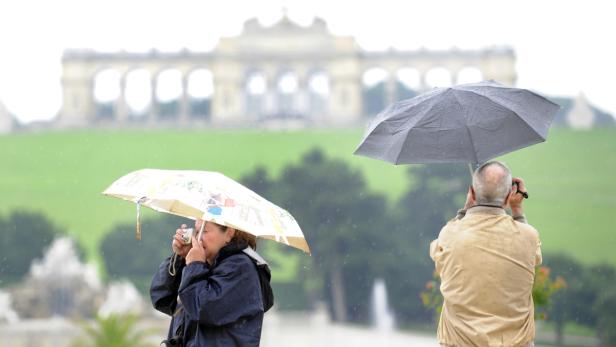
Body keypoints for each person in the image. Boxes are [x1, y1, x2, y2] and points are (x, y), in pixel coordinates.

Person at [430, 161, 542, 347]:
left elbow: (437, 255)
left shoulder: (450, 234)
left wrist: (465, 210)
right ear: (508, 197)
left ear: (472, 193)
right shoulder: (527, 236)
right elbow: (535, 256)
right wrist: (517, 210)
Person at [150, 219, 274, 347]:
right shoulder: (205, 264)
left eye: (204, 231)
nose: (197, 238)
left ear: (229, 234)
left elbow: (203, 308)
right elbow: (162, 298)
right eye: (197, 231)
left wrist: (194, 265)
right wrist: (180, 257)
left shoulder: (240, 268)